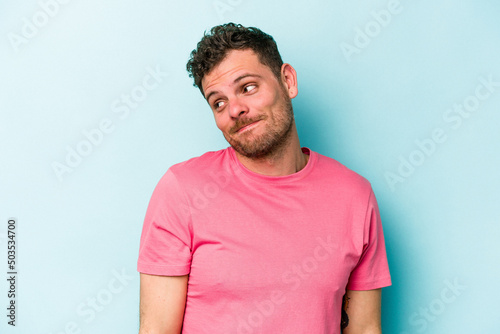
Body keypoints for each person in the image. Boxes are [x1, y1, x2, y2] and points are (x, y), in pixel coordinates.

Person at [137, 23, 391, 334]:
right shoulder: (183, 191)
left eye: (247, 87)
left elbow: (364, 328)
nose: (235, 109)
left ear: (288, 81)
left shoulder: (355, 196)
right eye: (218, 102)